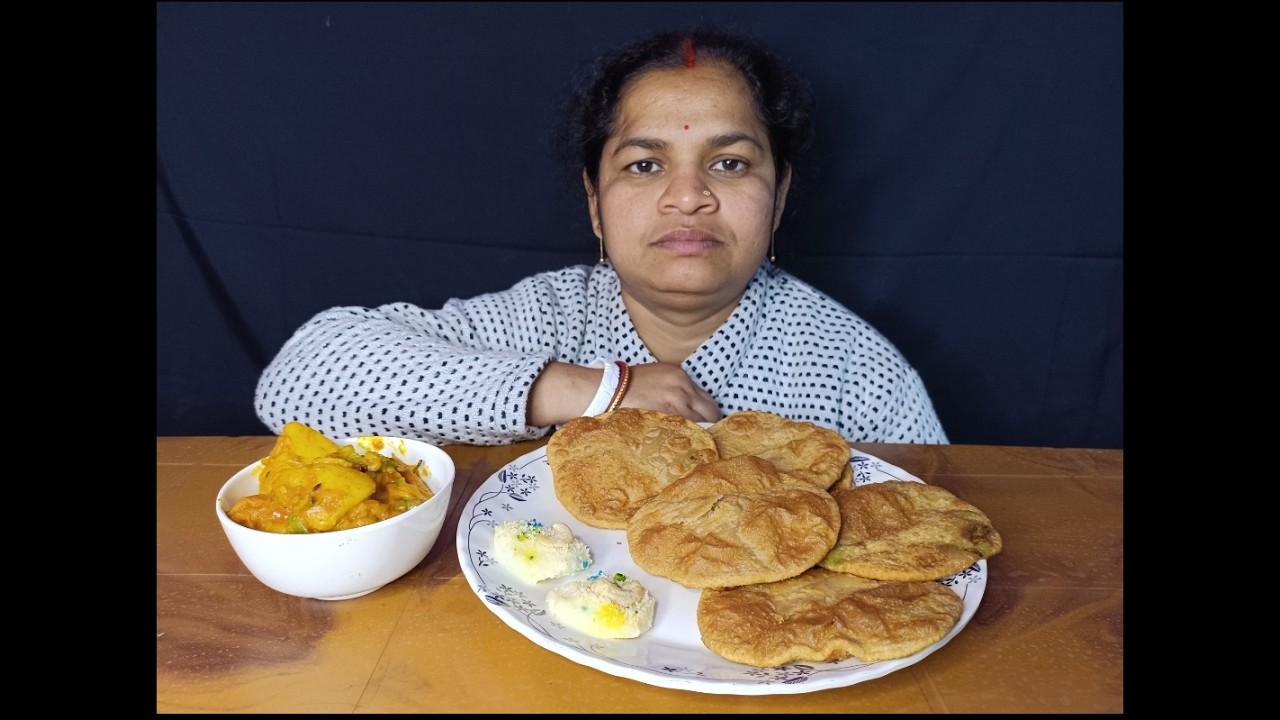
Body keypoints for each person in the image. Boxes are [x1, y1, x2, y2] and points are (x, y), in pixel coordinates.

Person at [255, 27, 949, 447]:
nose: (688, 196)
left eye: (730, 163)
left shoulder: (857, 372)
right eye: (645, 165)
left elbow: (936, 544)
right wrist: (593, 391)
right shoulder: (543, 320)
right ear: (594, 202)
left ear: (781, 195)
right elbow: (298, 380)